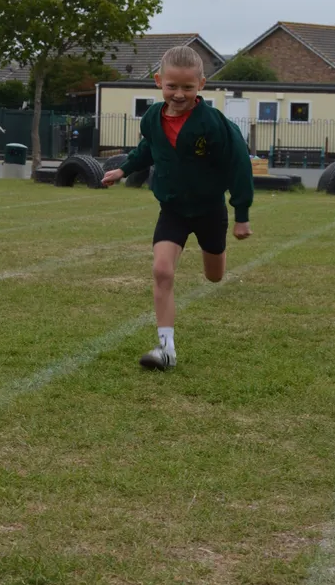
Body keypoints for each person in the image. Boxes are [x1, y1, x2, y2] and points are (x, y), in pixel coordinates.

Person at [102, 46, 254, 370]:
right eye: (172, 86)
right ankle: (166, 349)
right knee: (161, 270)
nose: (179, 94)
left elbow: (239, 163)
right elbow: (148, 149)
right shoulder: (153, 119)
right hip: (172, 208)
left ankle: (215, 253)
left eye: (188, 87)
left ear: (202, 84)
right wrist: (123, 169)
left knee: (214, 276)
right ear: (159, 81)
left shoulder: (213, 124)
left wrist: (241, 214)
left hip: (210, 210)